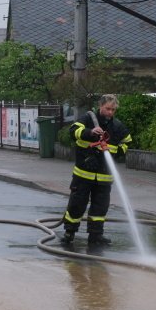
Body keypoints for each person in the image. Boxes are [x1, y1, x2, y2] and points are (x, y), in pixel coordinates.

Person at [61, 94, 132, 247]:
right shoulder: (87, 119)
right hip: (83, 174)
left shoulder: (118, 126)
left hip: (104, 177)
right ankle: (69, 232)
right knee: (77, 204)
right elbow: (73, 132)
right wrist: (90, 132)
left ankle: (96, 235)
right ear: (100, 106)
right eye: (107, 109)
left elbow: (127, 142)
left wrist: (117, 152)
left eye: (113, 110)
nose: (110, 113)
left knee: (100, 207)